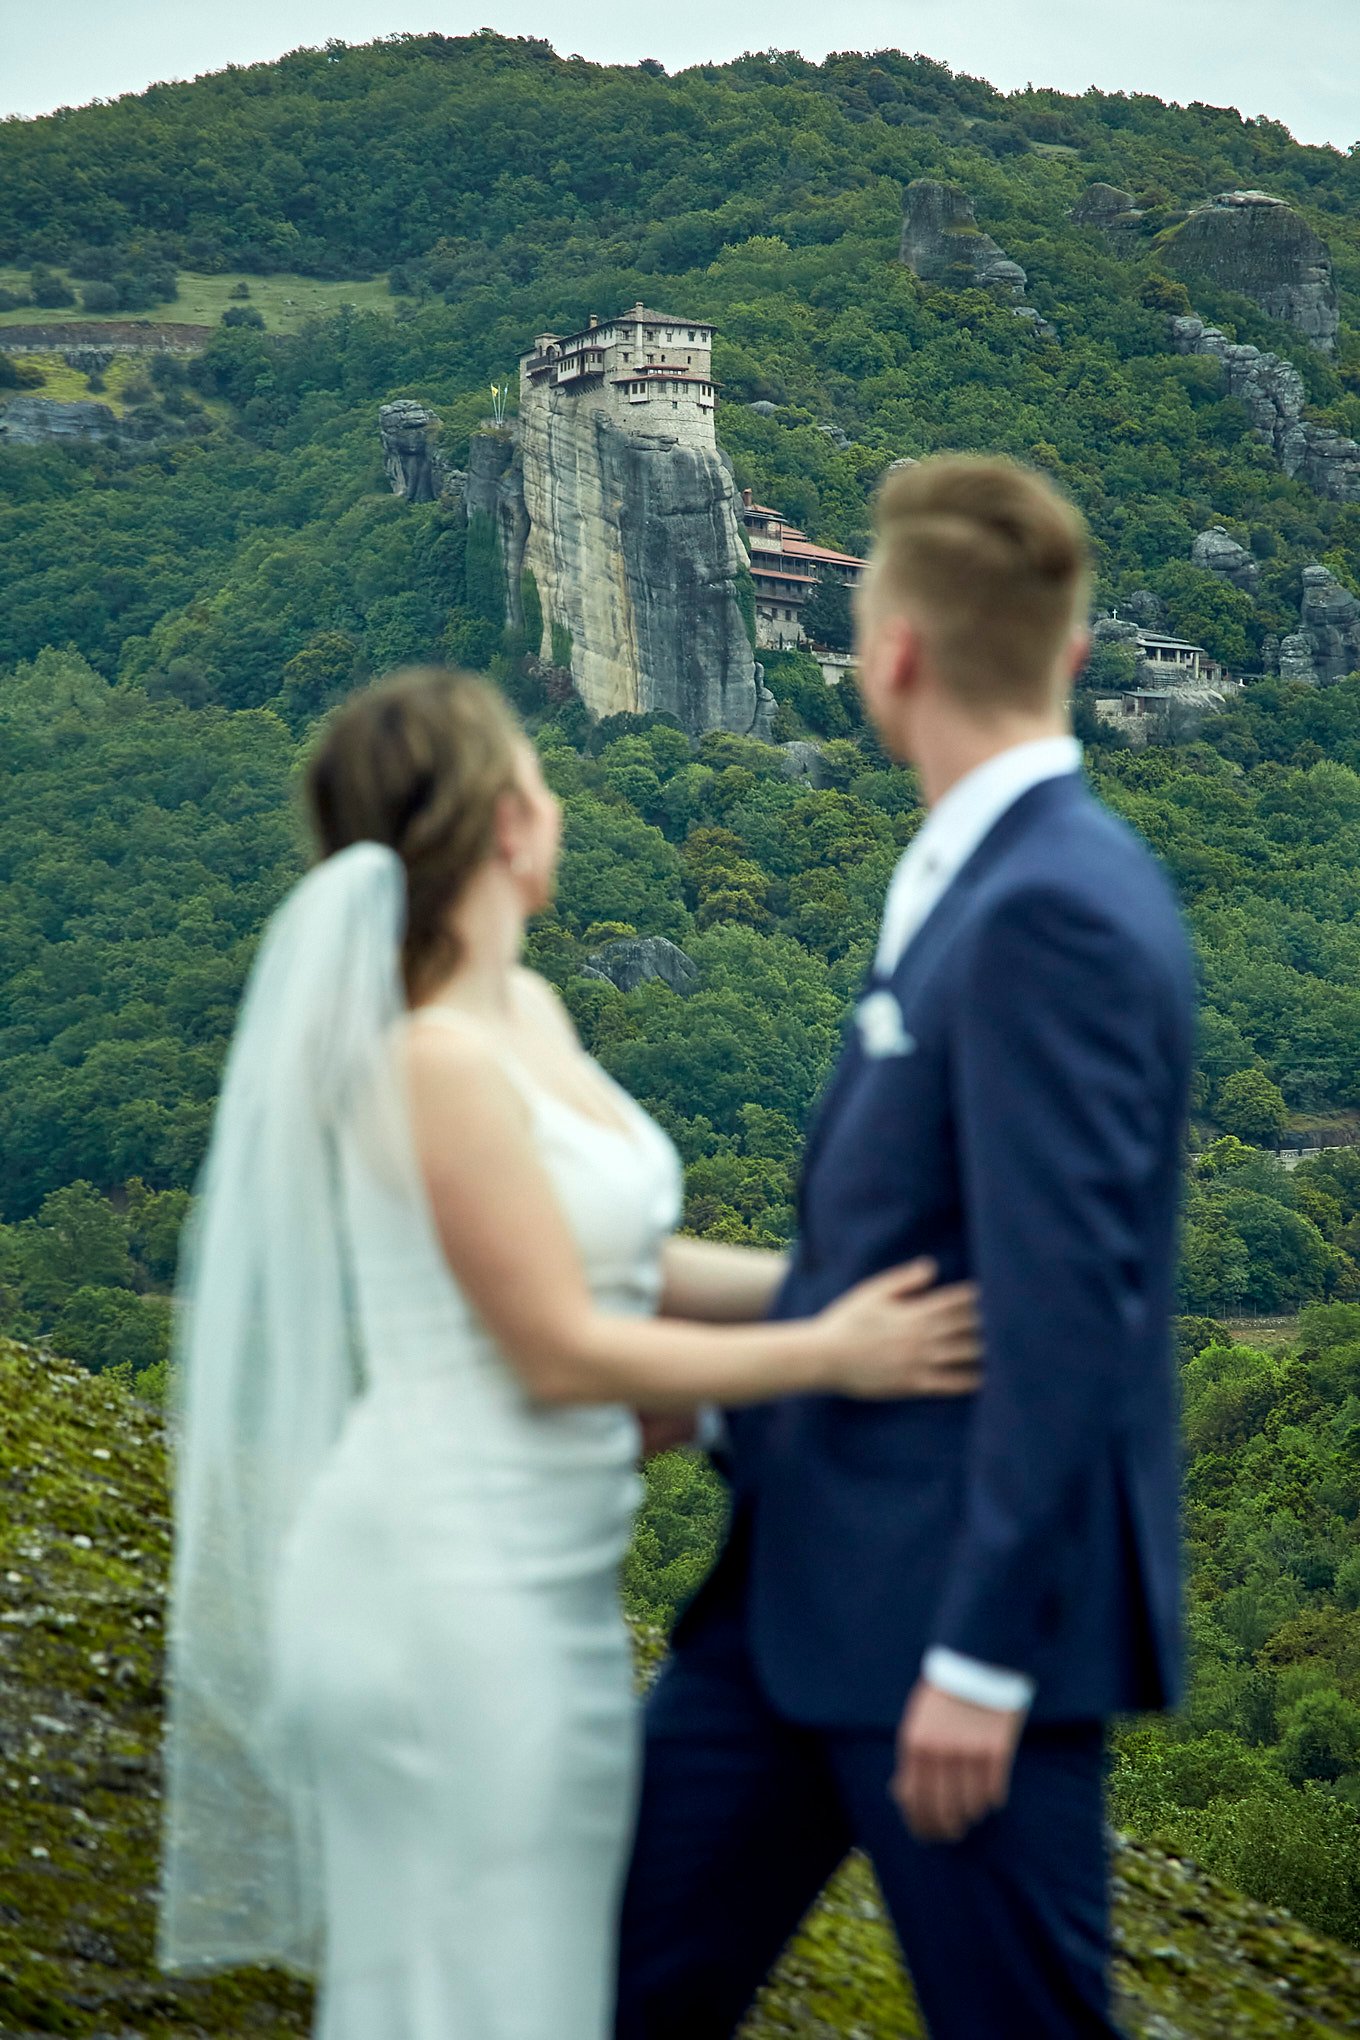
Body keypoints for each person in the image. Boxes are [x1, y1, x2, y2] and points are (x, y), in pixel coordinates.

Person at [157, 665, 981, 2040]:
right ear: (497, 823)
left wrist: (833, 1285)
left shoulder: (525, 1015)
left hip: (539, 1573)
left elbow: (626, 1262)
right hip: (438, 1584)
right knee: (475, 1983)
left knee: (532, 1974)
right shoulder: (427, 1059)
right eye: (534, 775)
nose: (556, 799)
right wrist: (836, 1347)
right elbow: (555, 1347)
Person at [616, 456, 1196, 2040]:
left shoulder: (1052, 907)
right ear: (1071, 655)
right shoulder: (969, 874)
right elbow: (918, 1260)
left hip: (946, 1630)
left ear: (891, 655)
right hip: (793, 1600)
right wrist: (735, 1387)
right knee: (614, 1988)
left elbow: (1072, 1309)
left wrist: (989, 1662)